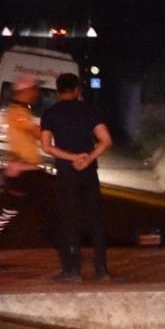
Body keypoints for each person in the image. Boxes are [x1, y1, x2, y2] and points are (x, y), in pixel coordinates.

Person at [41, 73, 112, 281]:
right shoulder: (89, 110)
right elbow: (106, 140)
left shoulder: (50, 113)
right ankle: (102, 269)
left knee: (69, 220)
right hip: (88, 172)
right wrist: (88, 158)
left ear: (58, 90)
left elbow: (46, 146)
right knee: (95, 219)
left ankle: (72, 270)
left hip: (66, 172)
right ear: (77, 89)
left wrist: (72, 158)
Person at [0, 74, 50, 234]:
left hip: (25, 169)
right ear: (24, 91)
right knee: (11, 210)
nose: (36, 93)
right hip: (23, 170)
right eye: (34, 89)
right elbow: (35, 131)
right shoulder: (18, 112)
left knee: (41, 207)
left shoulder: (21, 111)